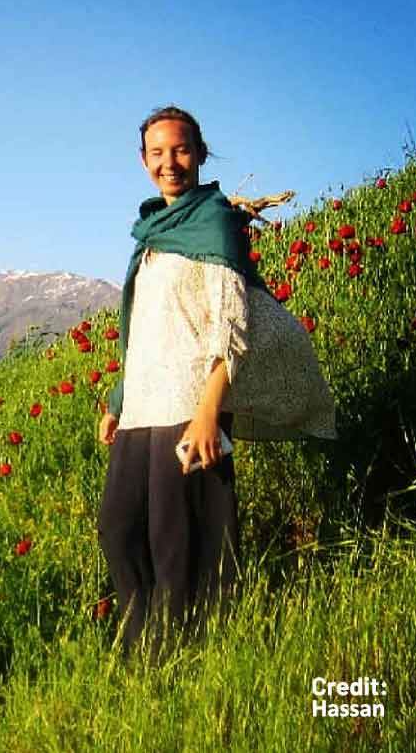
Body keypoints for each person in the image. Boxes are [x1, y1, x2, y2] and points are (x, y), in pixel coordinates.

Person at [95, 106, 335, 654]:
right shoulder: (152, 231)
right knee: (119, 528)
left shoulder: (215, 223)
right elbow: (143, 329)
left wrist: (208, 414)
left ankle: (183, 653)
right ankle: (142, 645)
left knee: (177, 541)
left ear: (201, 154)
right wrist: (117, 401)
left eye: (180, 150)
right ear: (143, 160)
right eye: (157, 153)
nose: (169, 163)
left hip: (189, 402)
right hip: (143, 407)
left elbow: (231, 324)